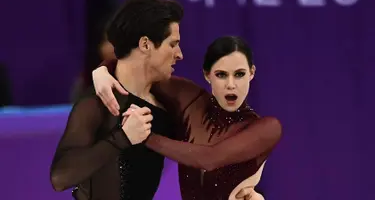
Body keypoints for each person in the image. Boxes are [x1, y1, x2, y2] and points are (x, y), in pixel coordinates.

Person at [93, 36, 282, 199]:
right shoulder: (189, 99)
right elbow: (136, 71)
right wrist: (102, 71)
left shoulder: (266, 128)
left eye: (239, 74)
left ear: (252, 73)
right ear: (207, 75)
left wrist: (144, 136)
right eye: (221, 75)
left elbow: (209, 158)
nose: (231, 85)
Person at [49, 0, 184, 200]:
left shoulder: (166, 104)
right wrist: (122, 138)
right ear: (146, 45)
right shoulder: (99, 102)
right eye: (172, 44)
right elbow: (60, 177)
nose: (179, 54)